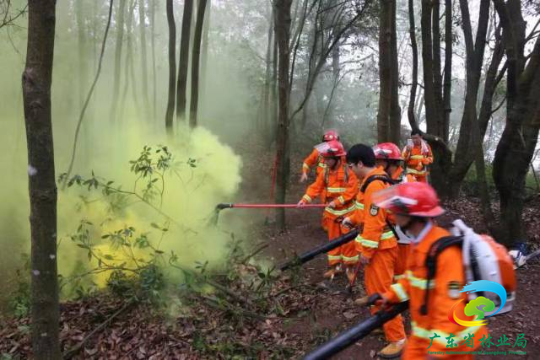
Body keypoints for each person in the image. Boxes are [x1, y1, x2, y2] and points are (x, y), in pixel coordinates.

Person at [368, 182, 488, 359]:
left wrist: (436, 353)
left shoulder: (445, 252)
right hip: (424, 336)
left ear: (412, 215)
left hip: (449, 346)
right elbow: (413, 279)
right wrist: (389, 296)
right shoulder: (420, 244)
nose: (392, 214)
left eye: (396, 211)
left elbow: (452, 307)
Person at [343, 144, 406, 358]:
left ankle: (398, 338)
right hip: (377, 247)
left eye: (351, 166)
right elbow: (365, 213)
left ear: (360, 163)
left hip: (381, 249)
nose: (350, 170)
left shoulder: (375, 185)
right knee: (373, 288)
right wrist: (352, 219)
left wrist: (366, 252)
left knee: (383, 291)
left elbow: (375, 223)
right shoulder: (370, 182)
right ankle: (380, 321)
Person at [298, 140, 359, 281]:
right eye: (324, 158)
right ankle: (336, 267)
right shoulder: (325, 172)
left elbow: (352, 191)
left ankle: (350, 268)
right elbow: (316, 187)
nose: (325, 161)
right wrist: (305, 199)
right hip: (331, 215)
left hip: (347, 215)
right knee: (333, 241)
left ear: (337, 158)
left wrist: (336, 202)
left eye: (328, 159)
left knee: (349, 243)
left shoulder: (349, 172)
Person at [373, 142, 415, 281]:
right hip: (387, 233)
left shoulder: (407, 180)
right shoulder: (380, 180)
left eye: (379, 162)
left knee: (402, 271)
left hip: (403, 234)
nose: (376, 166)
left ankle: (403, 299)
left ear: (389, 162)